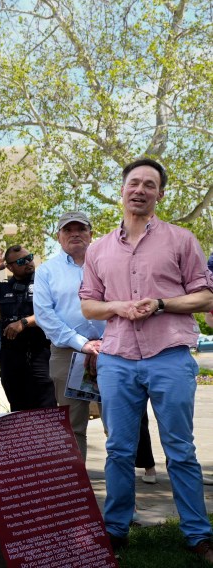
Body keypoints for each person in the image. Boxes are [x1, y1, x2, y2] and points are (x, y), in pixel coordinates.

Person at [80, 158, 213, 560]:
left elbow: (205, 296)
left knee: (180, 448)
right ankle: (116, 528)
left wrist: (160, 303)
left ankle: (198, 534)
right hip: (117, 359)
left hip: (169, 356)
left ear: (159, 194)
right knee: (119, 448)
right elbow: (89, 306)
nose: (140, 190)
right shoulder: (98, 249)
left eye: (149, 185)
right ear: (122, 190)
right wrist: (120, 307)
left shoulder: (181, 239)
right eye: (134, 183)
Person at [33, 212, 105, 460]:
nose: (75, 234)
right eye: (68, 229)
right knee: (73, 426)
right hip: (67, 353)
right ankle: (77, 492)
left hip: (113, 351)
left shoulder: (108, 263)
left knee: (118, 425)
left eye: (81, 229)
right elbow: (44, 316)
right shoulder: (46, 271)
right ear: (59, 237)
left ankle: (121, 492)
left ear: (90, 234)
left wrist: (104, 344)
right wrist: (83, 344)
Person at [0, 245, 54, 411]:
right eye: (21, 261)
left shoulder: (46, 283)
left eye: (29, 257)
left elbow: (53, 313)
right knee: (18, 409)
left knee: (47, 409)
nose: (29, 262)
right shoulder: (3, 288)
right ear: (9, 266)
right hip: (11, 357)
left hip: (40, 354)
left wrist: (23, 323)